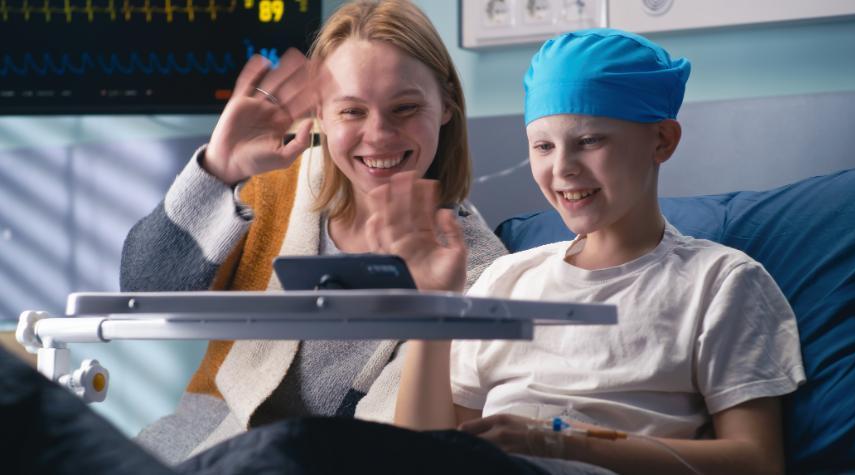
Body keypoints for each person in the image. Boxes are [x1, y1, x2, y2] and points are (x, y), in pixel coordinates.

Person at [366, 29, 806, 474]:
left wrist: (559, 442)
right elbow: (424, 454)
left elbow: (757, 462)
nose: (562, 168)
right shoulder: (508, 277)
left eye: (590, 141)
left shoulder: (720, 282)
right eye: (543, 146)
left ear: (662, 141)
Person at [120, 0, 507, 465]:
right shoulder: (272, 188)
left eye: (405, 108)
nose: (379, 134)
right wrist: (217, 170)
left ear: (445, 105)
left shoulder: (474, 265)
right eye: (352, 111)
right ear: (320, 112)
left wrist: (433, 304)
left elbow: (406, 444)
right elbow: (144, 292)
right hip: (189, 448)